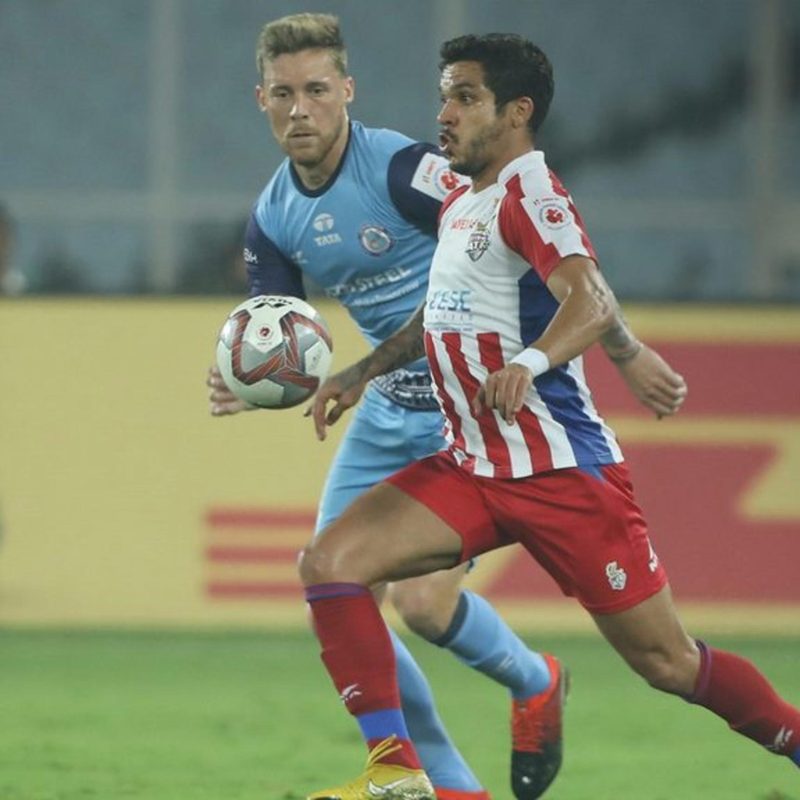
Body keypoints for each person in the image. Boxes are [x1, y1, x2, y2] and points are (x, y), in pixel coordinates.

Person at [297, 32, 800, 800]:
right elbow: (443, 312)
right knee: (330, 564)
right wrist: (364, 370)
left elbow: (588, 298)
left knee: (668, 663)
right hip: (473, 467)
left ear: (516, 112)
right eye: (444, 96)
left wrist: (531, 363)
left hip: (561, 475)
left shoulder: (533, 195)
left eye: (465, 98)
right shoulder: (465, 198)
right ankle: (396, 772)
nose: (445, 113)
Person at [207, 15, 687, 799]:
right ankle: (447, 786)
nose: (301, 109)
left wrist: (625, 349)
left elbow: (543, 250)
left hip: (466, 410)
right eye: (284, 94)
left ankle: (534, 681)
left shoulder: (406, 171)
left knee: (426, 608)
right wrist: (248, 379)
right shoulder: (271, 219)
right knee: (335, 586)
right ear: (261, 100)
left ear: (347, 91)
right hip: (385, 412)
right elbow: (280, 337)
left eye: (317, 90)